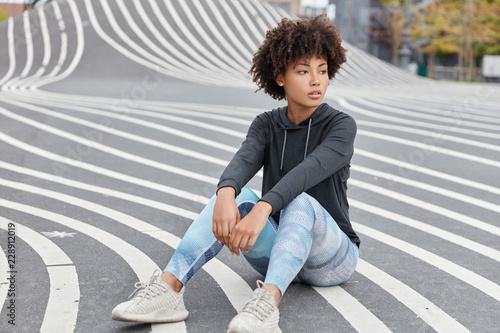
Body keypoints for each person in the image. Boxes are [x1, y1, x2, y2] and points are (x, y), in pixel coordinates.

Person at [111, 14, 360, 333]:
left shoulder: (341, 126)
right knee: (235, 194)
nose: (316, 80)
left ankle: (266, 305)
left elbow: (309, 171)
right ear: (280, 77)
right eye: (303, 71)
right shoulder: (266, 124)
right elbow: (244, 160)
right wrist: (226, 194)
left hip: (332, 257)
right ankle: (168, 290)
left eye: (322, 71)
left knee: (300, 201)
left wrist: (264, 207)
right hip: (277, 253)